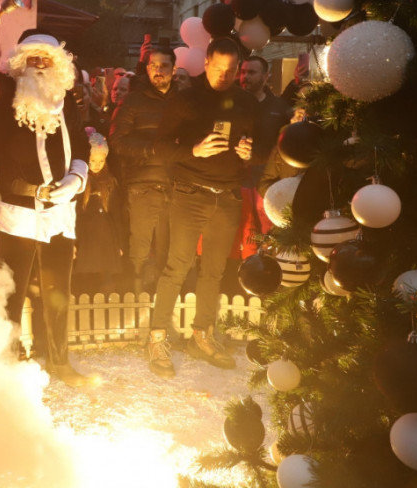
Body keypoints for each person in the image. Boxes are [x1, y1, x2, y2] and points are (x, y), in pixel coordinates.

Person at [0, 18, 96, 387]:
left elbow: (80, 144)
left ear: (57, 63)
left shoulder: (66, 100)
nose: (39, 64)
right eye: (32, 58)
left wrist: (77, 177)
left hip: (59, 213)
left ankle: (60, 361)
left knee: (58, 292)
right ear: (20, 63)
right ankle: (6, 367)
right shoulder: (3, 92)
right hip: (17, 213)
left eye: (45, 58)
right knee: (12, 293)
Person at [146, 38, 256, 377]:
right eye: (218, 68)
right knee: (177, 267)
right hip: (190, 192)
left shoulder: (245, 102)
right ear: (206, 63)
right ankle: (156, 338)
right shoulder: (186, 99)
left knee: (214, 271)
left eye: (231, 70)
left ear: (238, 69)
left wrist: (249, 151)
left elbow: (259, 146)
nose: (224, 76)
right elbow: (161, 147)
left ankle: (202, 336)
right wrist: (193, 151)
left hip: (227, 195)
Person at [111, 45, 177, 297]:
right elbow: (117, 141)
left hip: (177, 185)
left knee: (170, 255)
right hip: (143, 185)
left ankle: (165, 308)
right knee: (138, 253)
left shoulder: (184, 100)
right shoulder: (133, 101)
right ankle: (135, 304)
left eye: (164, 66)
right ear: (147, 69)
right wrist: (151, 149)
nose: (158, 71)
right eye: (153, 66)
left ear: (174, 69)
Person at [235, 56, 293, 258]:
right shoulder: (232, 103)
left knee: (265, 233)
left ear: (266, 76)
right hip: (235, 178)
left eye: (251, 72)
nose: (245, 77)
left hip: (267, 179)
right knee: (239, 233)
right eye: (243, 72)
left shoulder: (279, 107)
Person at [73, 132, 123, 295]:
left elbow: (116, 214)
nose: (97, 165)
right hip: (85, 235)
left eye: (101, 161)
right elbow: (75, 213)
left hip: (106, 236)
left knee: (106, 276)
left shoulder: (109, 182)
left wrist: (119, 243)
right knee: (86, 278)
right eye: (93, 160)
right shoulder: (79, 182)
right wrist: (73, 241)